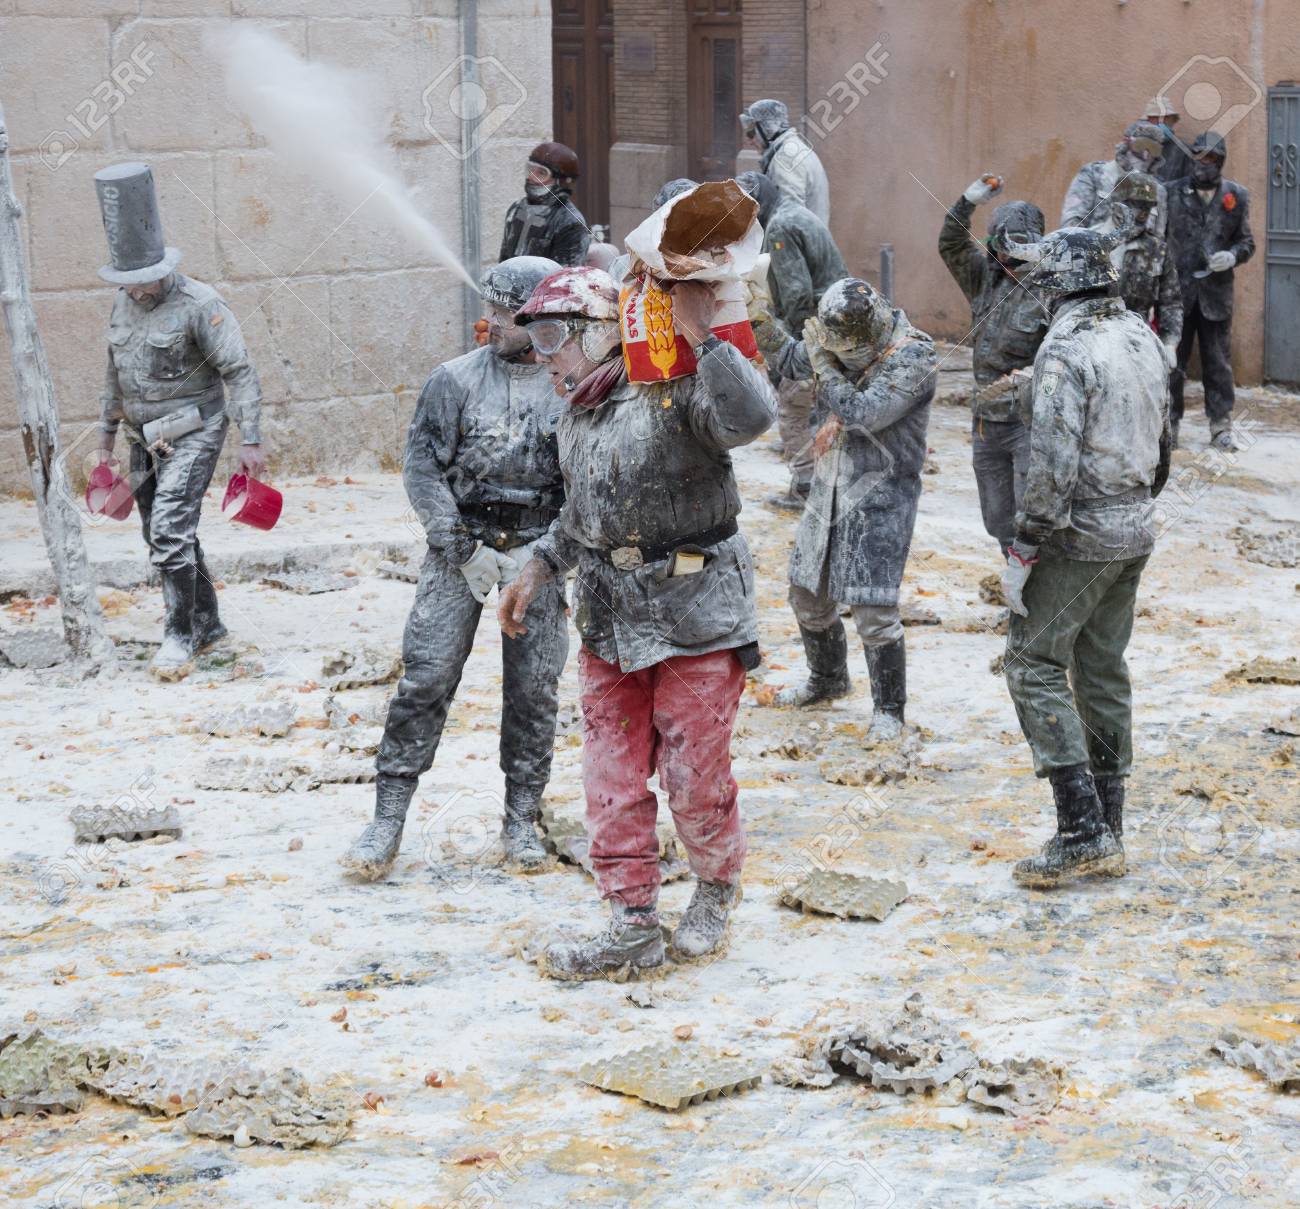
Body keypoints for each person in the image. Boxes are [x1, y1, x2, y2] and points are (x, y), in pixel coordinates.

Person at [498, 266, 774, 981]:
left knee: (693, 773)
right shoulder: (577, 413)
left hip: (698, 612)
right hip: (610, 617)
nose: (545, 355)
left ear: (600, 332)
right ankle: (631, 922)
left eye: (556, 336)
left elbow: (752, 419)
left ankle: (714, 889)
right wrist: (538, 566)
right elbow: (583, 514)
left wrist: (704, 336)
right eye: (535, 340)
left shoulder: (676, 383)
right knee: (610, 776)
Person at [340, 256, 567, 881]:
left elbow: (585, 478)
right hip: (458, 546)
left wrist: (548, 555)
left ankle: (522, 816)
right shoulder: (454, 380)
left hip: (537, 552)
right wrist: (458, 546)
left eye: (503, 312)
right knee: (427, 674)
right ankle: (387, 815)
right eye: (488, 308)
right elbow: (421, 468)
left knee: (534, 688)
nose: (489, 321)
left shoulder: (570, 384)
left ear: (538, 318)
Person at [1001, 225, 1171, 889]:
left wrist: (1027, 542)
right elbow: (1164, 439)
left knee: (1030, 662)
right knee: (1100, 666)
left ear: (1057, 281)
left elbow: (1051, 466)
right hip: (1134, 528)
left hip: (1081, 537)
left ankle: (1079, 829)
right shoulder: (1141, 335)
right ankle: (1109, 823)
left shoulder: (1066, 349)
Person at [93, 162, 263, 681]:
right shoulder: (124, 305)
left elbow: (240, 370)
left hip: (195, 428)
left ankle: (179, 635)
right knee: (161, 532)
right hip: (142, 435)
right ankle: (207, 622)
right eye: (126, 282)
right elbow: (113, 374)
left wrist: (250, 438)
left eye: (141, 281)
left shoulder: (200, 304)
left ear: (161, 269)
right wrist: (103, 439)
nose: (135, 290)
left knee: (170, 528)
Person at [755, 280, 936, 741]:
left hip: (881, 493)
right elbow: (794, 357)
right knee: (807, 592)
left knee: (873, 607)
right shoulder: (834, 343)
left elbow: (861, 413)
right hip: (830, 483)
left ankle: (889, 710)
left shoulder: (913, 356)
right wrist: (756, 320)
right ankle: (828, 677)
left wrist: (822, 361)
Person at [938, 173, 1049, 555]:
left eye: (1016, 249)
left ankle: (1037, 602)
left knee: (1031, 518)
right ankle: (1014, 575)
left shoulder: (1051, 290)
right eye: (1001, 248)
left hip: (1028, 422)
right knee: (998, 517)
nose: (1007, 257)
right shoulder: (983, 277)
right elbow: (950, 243)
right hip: (987, 420)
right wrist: (967, 201)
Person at [737, 170, 847, 510]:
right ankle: (828, 487)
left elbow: (797, 294)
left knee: (794, 409)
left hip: (813, 330)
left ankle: (805, 487)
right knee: (824, 412)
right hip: (831, 324)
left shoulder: (780, 227)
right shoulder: (795, 213)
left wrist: (791, 352)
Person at [1167, 131, 1255, 451]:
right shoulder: (1170, 193)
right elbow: (1159, 243)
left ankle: (1220, 425)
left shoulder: (1237, 196)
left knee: (1217, 363)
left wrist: (1232, 255)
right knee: (1172, 363)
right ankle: (1170, 424)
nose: (1203, 164)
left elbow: (1247, 242)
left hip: (1216, 296)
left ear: (1220, 161)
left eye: (1210, 158)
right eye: (1198, 157)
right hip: (1178, 295)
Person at [1109, 173, 1182, 366]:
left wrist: (1169, 344)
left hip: (1137, 344)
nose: (1141, 213)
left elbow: (1171, 303)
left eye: (1147, 207)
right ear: (1116, 203)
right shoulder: (1090, 242)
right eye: (1135, 204)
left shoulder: (1157, 250)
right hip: (1094, 341)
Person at [1061, 121, 1167, 234]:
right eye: (1140, 145)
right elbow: (1071, 225)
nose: (1146, 155)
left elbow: (1158, 237)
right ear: (1127, 143)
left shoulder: (1158, 191)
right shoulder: (1094, 174)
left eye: (1154, 149)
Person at [499, 142, 591, 267]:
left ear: (562, 181)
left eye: (542, 173)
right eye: (530, 169)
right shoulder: (516, 209)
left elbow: (565, 279)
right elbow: (504, 261)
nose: (531, 177)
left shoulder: (571, 222)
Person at [739, 99, 830, 224]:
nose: (750, 141)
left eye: (751, 133)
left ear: (767, 129)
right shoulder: (791, 150)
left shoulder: (786, 157)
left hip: (799, 243)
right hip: (807, 240)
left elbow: (790, 217)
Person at [1144, 95, 1190, 184]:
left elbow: (1188, 186)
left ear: (1173, 121)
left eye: (1165, 118)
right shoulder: (1136, 147)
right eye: (1156, 118)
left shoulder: (1184, 152)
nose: (1161, 122)